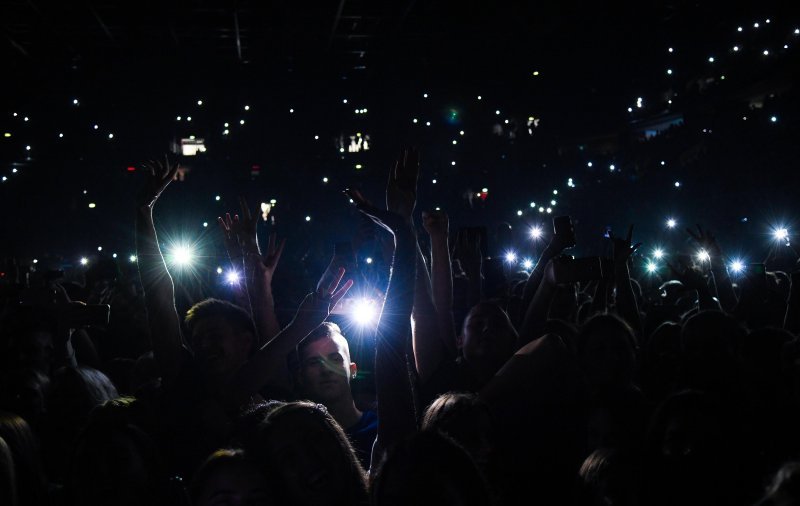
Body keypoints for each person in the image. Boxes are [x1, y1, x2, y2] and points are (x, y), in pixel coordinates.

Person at [295, 322, 377, 468]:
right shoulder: (297, 445)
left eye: (335, 359)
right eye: (314, 362)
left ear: (353, 370)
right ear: (301, 377)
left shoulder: (380, 429)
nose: (326, 370)